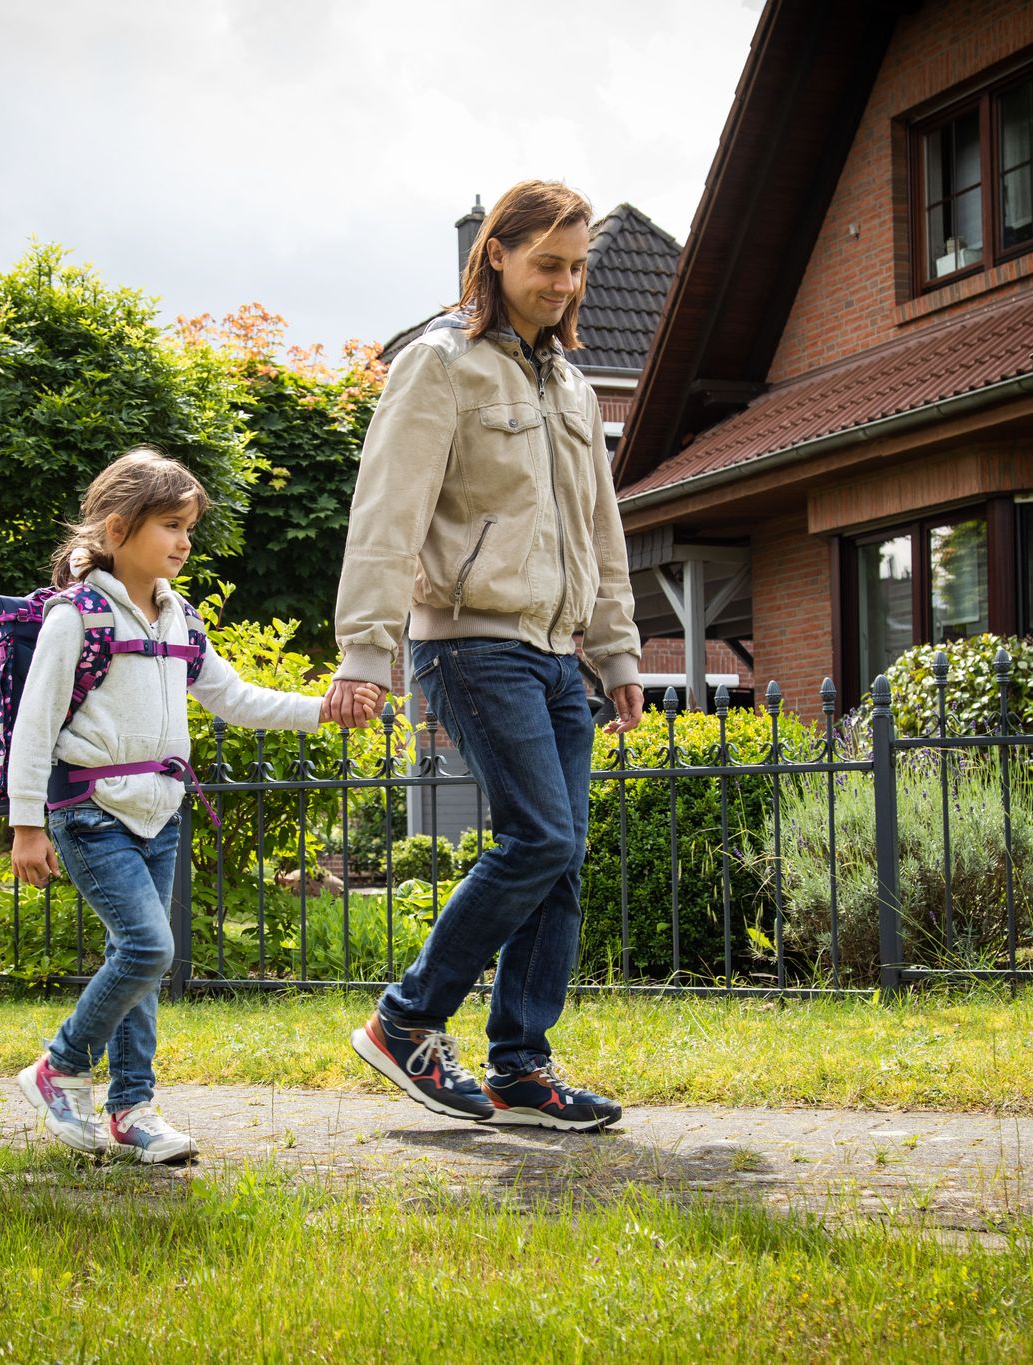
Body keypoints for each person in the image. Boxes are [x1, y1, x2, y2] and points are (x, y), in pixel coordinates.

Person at [323, 180, 645, 1133]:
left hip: (556, 650)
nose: (567, 283)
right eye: (549, 263)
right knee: (539, 837)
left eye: (578, 266)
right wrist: (363, 651)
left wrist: (620, 652)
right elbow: (387, 512)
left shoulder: (574, 384)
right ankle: (408, 1019)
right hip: (469, 640)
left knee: (564, 855)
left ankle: (520, 1068)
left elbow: (603, 528)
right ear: (495, 255)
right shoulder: (440, 366)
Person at [8, 447, 380, 1161]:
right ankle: (59, 1067)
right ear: (117, 531)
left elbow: (235, 698)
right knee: (149, 948)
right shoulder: (75, 617)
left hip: (160, 812)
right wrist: (27, 825)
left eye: (189, 529)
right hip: (91, 811)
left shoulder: (180, 618)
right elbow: (35, 724)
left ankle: (131, 1109)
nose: (184, 542)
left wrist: (322, 711)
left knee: (138, 960)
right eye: (171, 526)